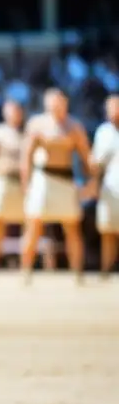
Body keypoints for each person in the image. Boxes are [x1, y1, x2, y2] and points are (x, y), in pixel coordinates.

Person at [19, 87, 94, 282]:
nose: (56, 105)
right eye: (52, 102)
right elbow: (26, 156)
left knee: (72, 227)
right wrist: (26, 184)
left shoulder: (74, 126)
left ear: (65, 103)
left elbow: (87, 158)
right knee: (34, 225)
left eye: (59, 102)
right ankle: (25, 271)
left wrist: (91, 182)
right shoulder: (37, 124)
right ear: (46, 103)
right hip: (43, 179)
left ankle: (78, 272)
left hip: (66, 180)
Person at [0, 100, 26, 272]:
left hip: (23, 183)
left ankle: (26, 265)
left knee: (29, 224)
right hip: (2, 180)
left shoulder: (27, 133)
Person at [92, 95, 119, 276]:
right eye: (110, 108)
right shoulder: (103, 132)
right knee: (108, 230)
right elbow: (96, 163)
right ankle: (106, 269)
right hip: (110, 188)